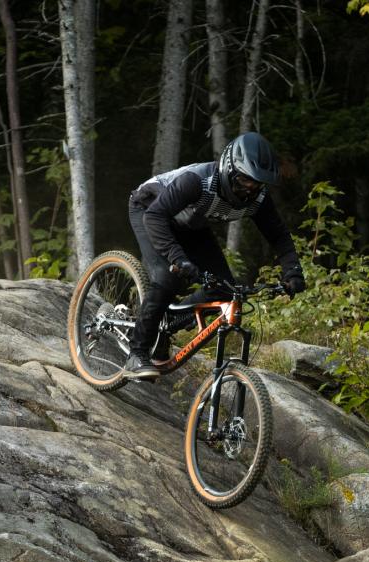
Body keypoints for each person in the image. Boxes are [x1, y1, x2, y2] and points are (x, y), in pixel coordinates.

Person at [124, 131, 306, 380]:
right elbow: (155, 217)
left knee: (227, 291)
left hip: (191, 223)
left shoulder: (259, 200)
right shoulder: (196, 182)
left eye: (257, 183)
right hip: (150, 210)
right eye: (244, 180)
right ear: (229, 169)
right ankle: (137, 353)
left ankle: (165, 322)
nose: (250, 189)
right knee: (168, 279)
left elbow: (279, 236)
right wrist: (178, 258)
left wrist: (293, 271)